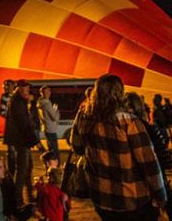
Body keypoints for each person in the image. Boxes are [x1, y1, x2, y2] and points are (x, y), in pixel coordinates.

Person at [71, 74, 166, 221]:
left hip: (101, 196)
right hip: (132, 198)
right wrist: (161, 195)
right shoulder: (129, 122)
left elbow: (77, 147)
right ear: (120, 93)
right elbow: (148, 162)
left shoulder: (83, 116)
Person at [127, 91, 172, 221]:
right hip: (150, 191)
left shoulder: (117, 131)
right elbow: (166, 162)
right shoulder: (149, 129)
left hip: (128, 193)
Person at [4, 79, 39, 206]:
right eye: (24, 89)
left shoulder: (21, 102)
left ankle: (29, 195)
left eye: (27, 89)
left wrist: (31, 104)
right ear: (18, 89)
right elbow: (24, 124)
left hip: (24, 140)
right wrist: (36, 141)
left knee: (28, 168)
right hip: (21, 140)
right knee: (22, 170)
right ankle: (17, 199)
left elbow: (29, 121)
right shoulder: (17, 103)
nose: (26, 92)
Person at [0, 80, 16, 174]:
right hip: (10, 127)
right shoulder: (4, 97)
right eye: (4, 86)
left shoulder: (17, 96)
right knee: (11, 152)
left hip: (17, 128)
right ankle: (11, 172)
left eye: (8, 85)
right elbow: (2, 112)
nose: (6, 87)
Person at [38, 86, 60, 156]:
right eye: (46, 92)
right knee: (55, 151)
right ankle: (55, 165)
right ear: (42, 93)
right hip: (51, 129)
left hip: (46, 128)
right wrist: (56, 111)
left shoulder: (40, 103)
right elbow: (54, 117)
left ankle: (51, 164)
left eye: (49, 91)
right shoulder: (47, 103)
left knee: (51, 149)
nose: (49, 93)